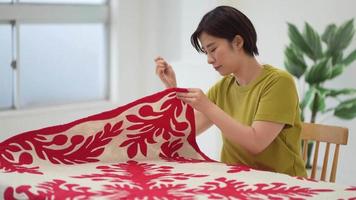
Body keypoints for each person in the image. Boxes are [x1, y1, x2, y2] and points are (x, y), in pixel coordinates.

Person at [154, 5, 307, 177]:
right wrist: (172, 89)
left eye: (213, 49)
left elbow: (256, 142)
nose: (209, 60)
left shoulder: (279, 83)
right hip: (236, 181)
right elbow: (185, 132)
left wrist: (208, 107)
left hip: (282, 184)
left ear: (238, 42)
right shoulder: (223, 87)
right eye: (206, 52)